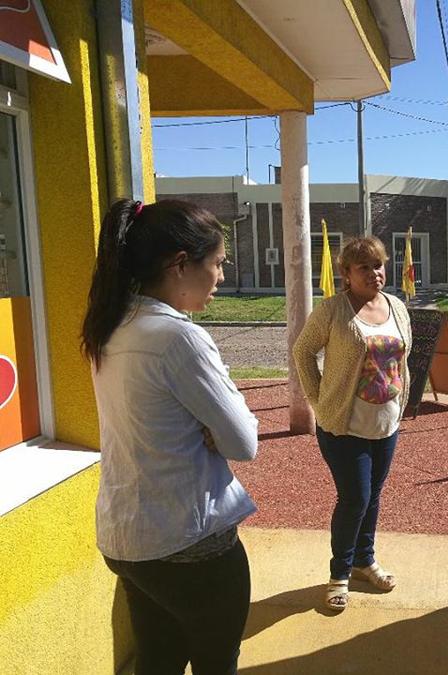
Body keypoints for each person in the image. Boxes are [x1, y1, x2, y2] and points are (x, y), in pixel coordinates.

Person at [82, 199, 259, 674]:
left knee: (155, 662)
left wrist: (206, 424)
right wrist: (212, 425)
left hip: (126, 540)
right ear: (181, 264)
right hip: (190, 541)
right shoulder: (176, 336)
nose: (221, 276)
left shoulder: (112, 324)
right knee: (214, 662)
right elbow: (244, 441)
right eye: (217, 263)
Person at [293, 236, 412, 612]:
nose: (375, 273)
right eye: (364, 267)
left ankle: (365, 560)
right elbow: (303, 351)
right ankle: (339, 574)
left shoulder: (396, 306)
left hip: (385, 422)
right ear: (346, 273)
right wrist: (316, 400)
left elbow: (401, 360)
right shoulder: (333, 310)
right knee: (355, 498)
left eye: (378, 265)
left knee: (372, 496)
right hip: (343, 425)